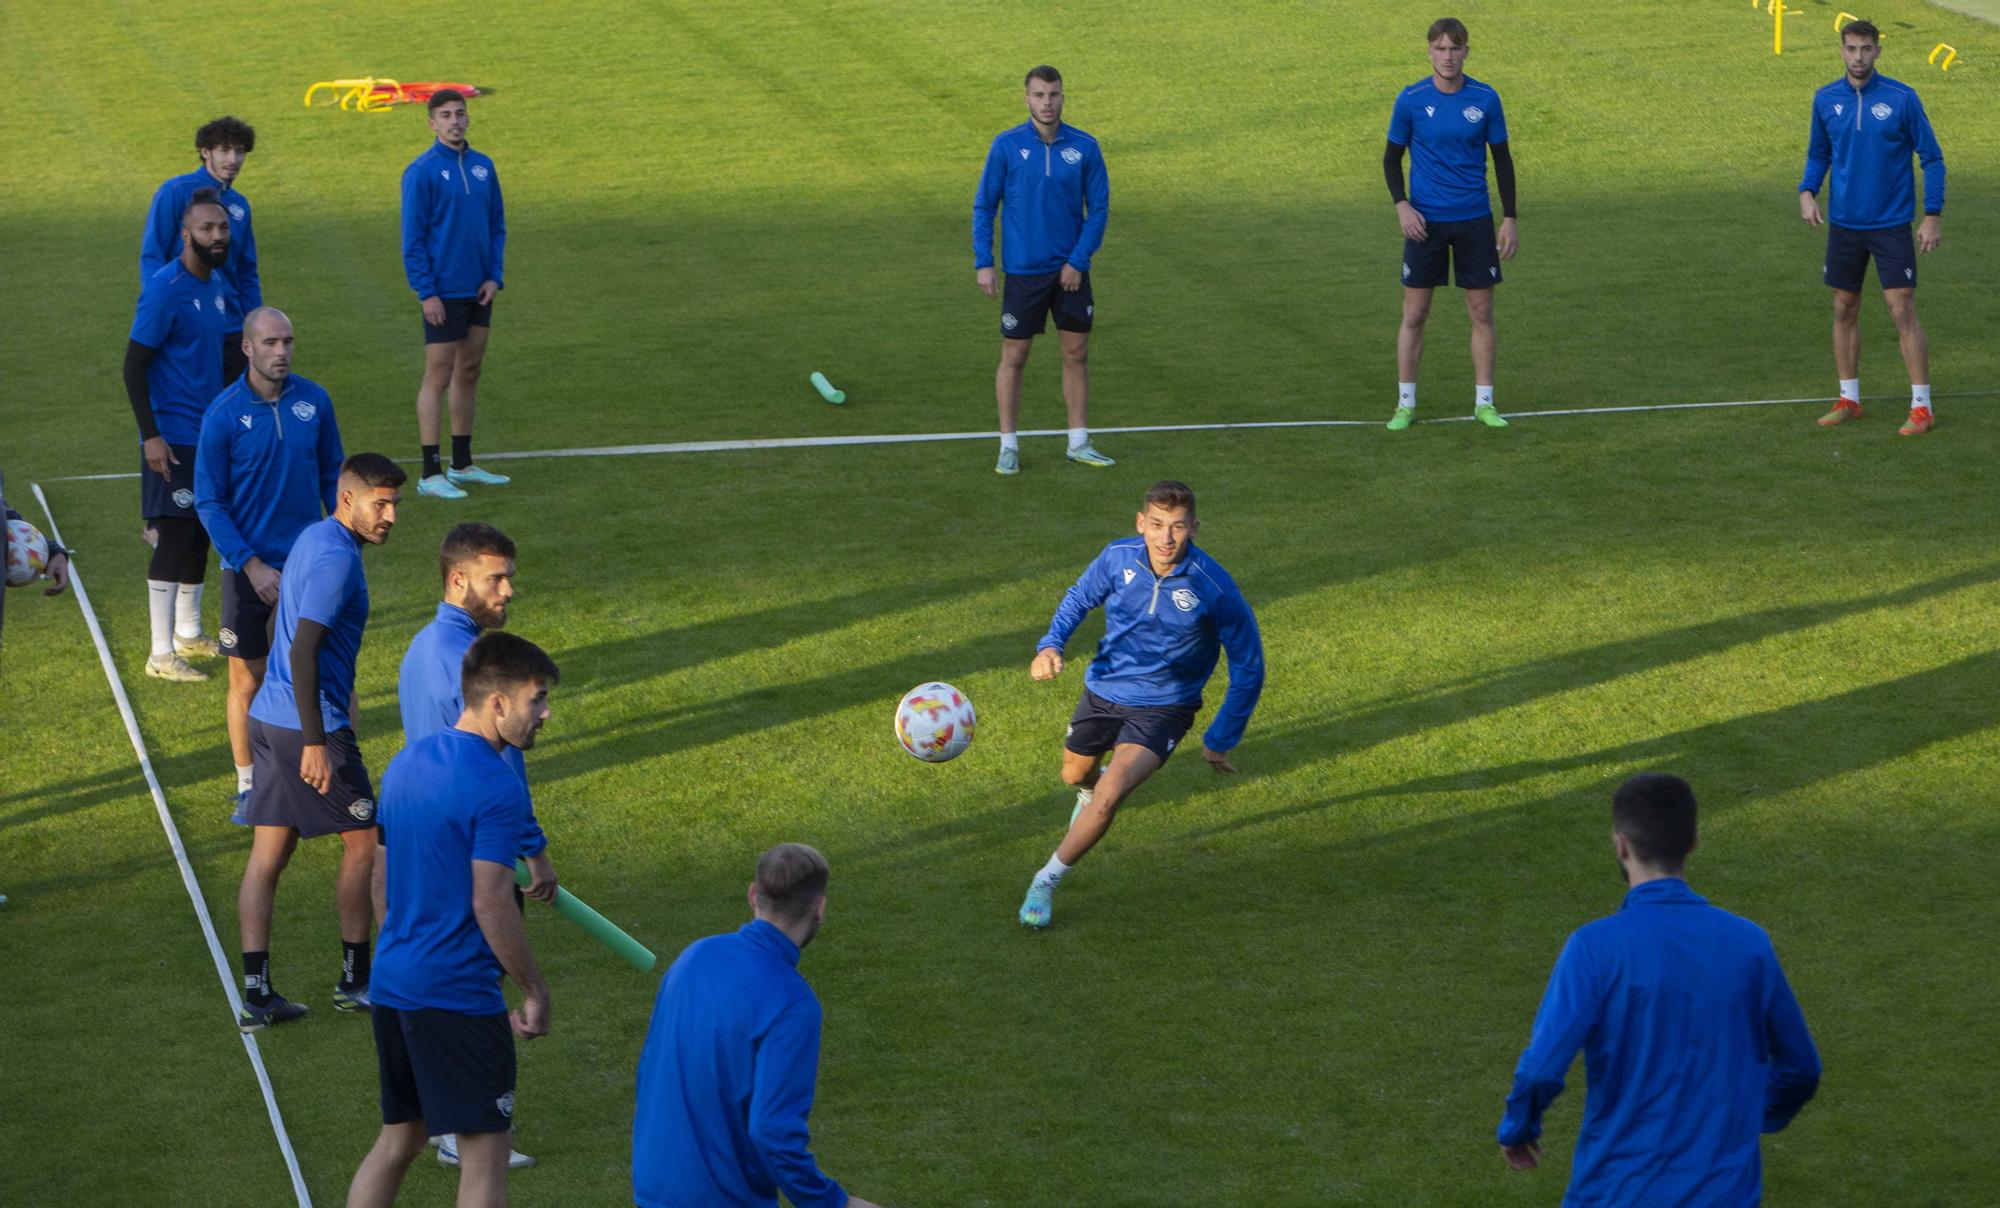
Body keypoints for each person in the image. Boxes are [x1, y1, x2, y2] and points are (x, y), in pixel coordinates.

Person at [1495, 773, 1821, 1204]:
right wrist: (1756, 1115)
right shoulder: (1748, 944)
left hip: (1616, 1193)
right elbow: (1802, 1067)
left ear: (1621, 845)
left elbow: (1540, 1069)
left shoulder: (1594, 948)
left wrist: (1519, 1127)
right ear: (1693, 841)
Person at [345, 632, 559, 1208]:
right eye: (536, 700)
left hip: (394, 984)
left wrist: (405, 952)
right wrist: (533, 990)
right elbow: (490, 901)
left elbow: (380, 882)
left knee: (400, 1139)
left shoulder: (406, 763)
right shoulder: (497, 786)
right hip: (458, 998)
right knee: (485, 1160)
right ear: (498, 704)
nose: (545, 713)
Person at [1018, 480, 1263, 928]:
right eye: (1156, 525)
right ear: (1140, 523)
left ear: (1194, 528)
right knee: (1076, 775)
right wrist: (1050, 645)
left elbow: (1250, 662)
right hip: (1104, 690)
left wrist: (1222, 735)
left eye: (1177, 527)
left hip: (1166, 707)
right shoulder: (1116, 557)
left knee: (1111, 796)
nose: (1166, 538)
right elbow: (1079, 597)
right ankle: (1089, 791)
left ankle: (1046, 879)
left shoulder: (1214, 586)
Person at [397, 522, 553, 1171]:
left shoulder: (427, 645)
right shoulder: (461, 667)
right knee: (472, 982)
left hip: (427, 856)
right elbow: (497, 767)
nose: (508, 591)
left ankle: (441, 1126)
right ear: (458, 579)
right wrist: (533, 846)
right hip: (468, 849)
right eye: (498, 578)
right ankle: (462, 1134)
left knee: (394, 1136)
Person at [234, 453, 403, 1031]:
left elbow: (282, 617)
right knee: (366, 845)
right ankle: (356, 983)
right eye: (380, 504)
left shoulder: (314, 537)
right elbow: (304, 649)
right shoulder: (336, 560)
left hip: (266, 716)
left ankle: (257, 995)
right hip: (308, 726)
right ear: (347, 498)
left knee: (269, 855)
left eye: (394, 505)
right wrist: (314, 739)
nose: (390, 516)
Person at [631, 844, 885, 1208]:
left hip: (655, 1189)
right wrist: (835, 1203)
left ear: (753, 894)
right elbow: (773, 1133)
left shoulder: (694, 957)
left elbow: (652, 1068)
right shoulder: (792, 1004)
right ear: (820, 907)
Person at [193, 307, 345, 822]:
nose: (282, 352)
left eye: (288, 342)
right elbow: (210, 503)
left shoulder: (315, 401)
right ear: (248, 348)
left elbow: (333, 479)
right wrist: (252, 566)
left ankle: (324, 770)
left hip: (307, 568)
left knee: (320, 672)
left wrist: (346, 534)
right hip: (247, 571)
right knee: (248, 682)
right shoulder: (222, 415)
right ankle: (248, 784)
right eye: (271, 343)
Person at [1800, 19, 1946, 437]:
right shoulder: (1826, 99)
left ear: (1878, 51)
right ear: (1841, 50)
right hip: (1845, 224)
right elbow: (1818, 151)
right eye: (1851, 49)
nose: (1858, 57)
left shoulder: (1902, 99)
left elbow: (1932, 158)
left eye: (1866, 49)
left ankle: (1922, 407)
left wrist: (1931, 215)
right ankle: (1849, 399)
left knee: (1902, 310)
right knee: (1844, 308)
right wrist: (1807, 190)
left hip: (1890, 224)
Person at [972, 64, 1113, 475]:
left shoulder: (1085, 147)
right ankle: (1008, 446)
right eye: (1038, 95)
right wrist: (985, 262)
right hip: (1023, 272)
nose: (1046, 103)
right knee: (1014, 355)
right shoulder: (1006, 146)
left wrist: (1077, 261)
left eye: (1053, 95)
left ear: (1063, 97)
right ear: (1027, 99)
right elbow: (985, 206)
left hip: (1069, 271)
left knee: (1076, 352)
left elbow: (1099, 209)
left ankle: (1079, 442)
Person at [1383, 17, 1517, 431]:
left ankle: (1485, 404)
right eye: (1440, 49)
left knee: (1481, 312)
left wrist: (1509, 217)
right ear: (1429, 51)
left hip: (1474, 219)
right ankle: (1405, 404)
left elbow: (1503, 160)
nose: (1447, 56)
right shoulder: (1410, 99)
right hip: (1426, 223)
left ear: (1466, 52)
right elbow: (1391, 159)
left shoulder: (1486, 98)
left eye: (1454, 49)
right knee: (1415, 313)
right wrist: (1402, 206)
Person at [127, 186, 238, 682]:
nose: (217, 236)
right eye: (207, 228)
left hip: (209, 431)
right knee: (173, 535)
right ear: (185, 233)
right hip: (173, 435)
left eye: (223, 227)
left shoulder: (216, 285)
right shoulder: (165, 288)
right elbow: (133, 366)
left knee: (200, 534)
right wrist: (150, 435)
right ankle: (159, 654)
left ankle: (188, 633)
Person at [402, 88, 510, 500]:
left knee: (469, 372)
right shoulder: (422, 172)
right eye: (445, 115)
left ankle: (461, 463)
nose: (455, 121)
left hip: (479, 289)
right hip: (443, 292)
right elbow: (412, 239)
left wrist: (494, 276)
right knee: (439, 375)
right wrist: (426, 292)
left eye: (460, 114)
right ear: (432, 123)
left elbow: (497, 224)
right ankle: (430, 471)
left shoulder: (484, 166)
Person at [141, 116, 261, 383]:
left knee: (234, 412)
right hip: (187, 323)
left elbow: (246, 271)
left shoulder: (239, 206)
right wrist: (157, 312)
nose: (233, 159)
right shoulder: (174, 192)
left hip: (231, 328)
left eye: (239, 151)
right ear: (206, 152)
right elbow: (152, 255)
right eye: (224, 150)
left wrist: (255, 325)